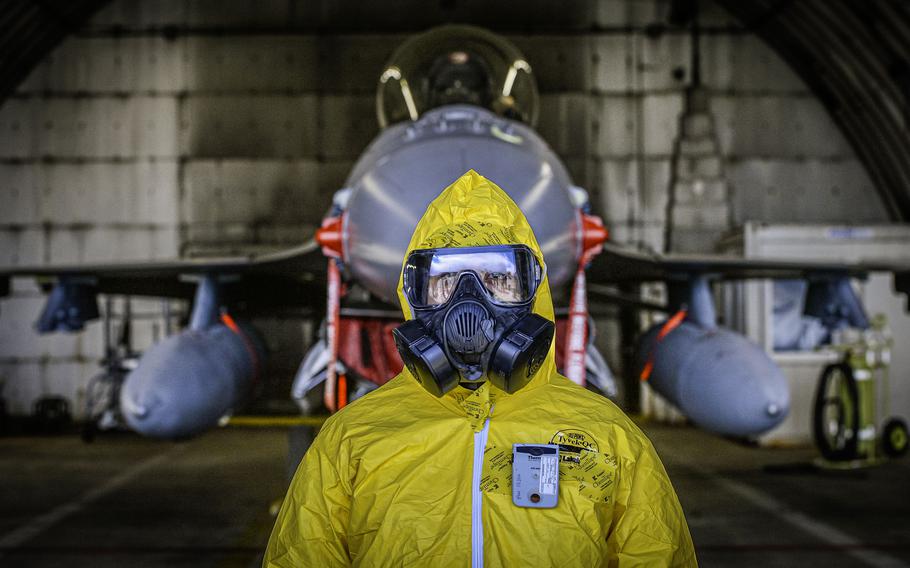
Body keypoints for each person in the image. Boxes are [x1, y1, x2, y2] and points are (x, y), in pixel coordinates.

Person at [263, 170, 696, 567]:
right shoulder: (351, 440)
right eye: (446, 282)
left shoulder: (607, 437)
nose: (468, 303)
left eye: (496, 279)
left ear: (532, 291)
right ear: (414, 295)